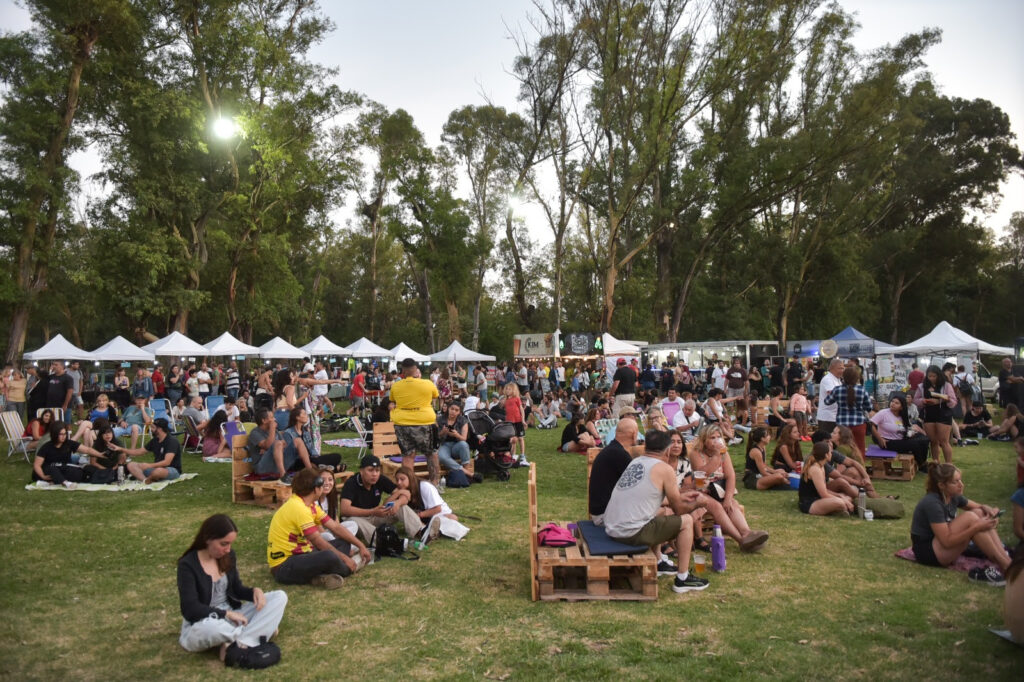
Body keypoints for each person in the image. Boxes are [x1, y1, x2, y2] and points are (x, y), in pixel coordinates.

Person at [602, 430, 709, 594]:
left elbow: (649, 497)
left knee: (657, 513)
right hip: (630, 533)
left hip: (612, 527)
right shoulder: (665, 469)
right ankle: (683, 578)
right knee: (687, 521)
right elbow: (679, 509)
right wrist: (698, 502)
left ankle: (658, 562)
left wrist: (683, 495)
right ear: (667, 450)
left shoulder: (636, 462)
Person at [178, 514, 288, 665]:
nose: (228, 549)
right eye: (224, 544)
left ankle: (236, 642)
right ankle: (258, 633)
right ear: (208, 539)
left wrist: (255, 591)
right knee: (212, 628)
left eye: (230, 544)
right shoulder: (188, 565)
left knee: (279, 597)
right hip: (205, 621)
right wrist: (226, 614)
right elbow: (190, 609)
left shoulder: (228, 556)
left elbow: (236, 589)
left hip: (234, 617)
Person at [268, 469, 371, 589]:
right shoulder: (299, 508)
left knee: (343, 542)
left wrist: (361, 546)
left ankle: (319, 577)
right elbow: (319, 542)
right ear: (316, 489)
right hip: (284, 567)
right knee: (329, 555)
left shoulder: (309, 504)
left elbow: (336, 527)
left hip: (303, 554)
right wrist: (345, 558)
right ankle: (353, 565)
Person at [909, 463, 1010, 585]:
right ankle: (1006, 565)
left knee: (979, 513)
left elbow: (979, 507)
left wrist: (989, 510)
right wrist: (976, 527)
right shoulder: (932, 503)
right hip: (928, 553)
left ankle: (1006, 559)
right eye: (955, 482)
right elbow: (947, 542)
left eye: (960, 480)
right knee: (971, 518)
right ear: (941, 485)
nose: (961, 485)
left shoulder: (953, 496)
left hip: (940, 545)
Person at [688, 425, 769, 551]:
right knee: (717, 507)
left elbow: (731, 476)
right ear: (704, 440)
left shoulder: (724, 453)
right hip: (700, 490)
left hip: (719, 489)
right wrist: (716, 457)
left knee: (731, 503)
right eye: (712, 437)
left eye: (718, 437)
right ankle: (741, 540)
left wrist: (728, 497)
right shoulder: (696, 453)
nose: (716, 440)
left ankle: (747, 534)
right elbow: (703, 475)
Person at [339, 454, 425, 540]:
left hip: (374, 516)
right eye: (370, 470)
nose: (374, 474)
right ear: (361, 471)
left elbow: (406, 495)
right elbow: (344, 510)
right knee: (354, 522)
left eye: (377, 470)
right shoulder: (351, 483)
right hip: (356, 519)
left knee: (401, 507)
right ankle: (383, 541)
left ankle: (421, 531)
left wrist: (398, 503)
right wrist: (372, 511)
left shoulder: (380, 479)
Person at [388, 359, 441, 483]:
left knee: (407, 455)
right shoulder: (427, 384)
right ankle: (434, 483)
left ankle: (408, 485)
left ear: (403, 371)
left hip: (402, 423)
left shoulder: (396, 385)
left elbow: (393, 400)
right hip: (425, 422)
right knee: (431, 453)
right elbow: (435, 396)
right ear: (416, 369)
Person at [588, 418, 639, 525]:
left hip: (601, 512)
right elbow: (639, 486)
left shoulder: (612, 450)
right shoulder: (619, 454)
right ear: (634, 434)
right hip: (605, 516)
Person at [391, 466, 457, 542]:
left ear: (410, 478)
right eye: (397, 480)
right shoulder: (400, 490)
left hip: (437, 514)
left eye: (402, 479)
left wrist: (418, 515)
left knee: (452, 518)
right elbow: (388, 504)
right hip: (423, 517)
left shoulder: (424, 486)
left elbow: (437, 509)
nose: (399, 482)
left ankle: (431, 529)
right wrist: (396, 494)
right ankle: (428, 530)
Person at [31, 421, 101, 488]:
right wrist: (43, 476)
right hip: (47, 470)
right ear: (55, 434)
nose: (63, 436)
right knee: (52, 468)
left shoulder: (69, 443)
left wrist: (100, 454)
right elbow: (37, 465)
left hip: (63, 468)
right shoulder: (46, 447)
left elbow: (87, 450)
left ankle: (54, 482)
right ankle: (65, 483)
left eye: (65, 434)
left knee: (81, 471)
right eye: (61, 434)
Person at [823, 366, 873, 456]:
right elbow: (869, 407)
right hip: (859, 423)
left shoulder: (837, 390)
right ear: (857, 378)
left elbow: (827, 402)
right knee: (859, 449)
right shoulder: (862, 390)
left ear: (844, 377)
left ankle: (843, 468)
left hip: (842, 425)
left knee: (843, 449)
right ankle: (860, 467)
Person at [869, 394, 930, 467]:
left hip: (900, 439)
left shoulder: (902, 416)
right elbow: (871, 424)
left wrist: (913, 433)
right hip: (887, 442)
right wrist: (879, 438)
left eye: (896, 403)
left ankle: (923, 461)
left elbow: (905, 429)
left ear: (901, 407)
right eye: (892, 401)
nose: (893, 404)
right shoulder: (884, 413)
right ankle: (922, 465)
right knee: (915, 445)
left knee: (924, 439)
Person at [913, 365, 957, 464]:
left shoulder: (946, 385)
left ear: (939, 375)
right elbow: (916, 400)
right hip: (928, 414)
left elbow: (953, 401)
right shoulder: (922, 386)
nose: (932, 378)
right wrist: (923, 401)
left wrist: (943, 400)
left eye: (934, 376)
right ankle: (935, 464)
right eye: (930, 376)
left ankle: (949, 465)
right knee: (933, 441)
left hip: (943, 414)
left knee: (944, 441)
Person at [798, 442, 856, 516]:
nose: (831, 454)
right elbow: (824, 495)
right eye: (830, 452)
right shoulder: (815, 469)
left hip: (818, 498)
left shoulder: (821, 466)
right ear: (826, 455)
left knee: (846, 497)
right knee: (841, 502)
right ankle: (839, 509)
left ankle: (839, 510)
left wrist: (840, 496)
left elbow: (824, 489)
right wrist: (842, 499)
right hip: (809, 503)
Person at [119, 417, 182, 484]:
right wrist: (121, 449)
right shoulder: (155, 440)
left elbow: (167, 462)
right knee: (131, 465)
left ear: (160, 429)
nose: (151, 430)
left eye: (153, 427)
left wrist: (149, 465)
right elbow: (139, 451)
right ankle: (145, 480)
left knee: (158, 472)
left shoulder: (172, 441)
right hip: (155, 468)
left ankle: (150, 478)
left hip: (171, 470)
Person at [436, 402, 472, 476]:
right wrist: (443, 432)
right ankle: (467, 473)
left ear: (459, 412)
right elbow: (436, 437)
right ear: (448, 409)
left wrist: (456, 435)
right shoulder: (440, 419)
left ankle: (466, 471)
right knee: (442, 457)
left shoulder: (463, 420)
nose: (453, 411)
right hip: (445, 445)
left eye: (456, 410)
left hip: (457, 445)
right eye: (452, 409)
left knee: (464, 444)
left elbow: (464, 439)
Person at [816, 358, 844, 434]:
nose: (842, 370)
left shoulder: (838, 380)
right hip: (827, 417)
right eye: (839, 368)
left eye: (842, 368)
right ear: (831, 368)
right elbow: (832, 394)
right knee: (827, 441)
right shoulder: (828, 379)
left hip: (835, 416)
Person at [503, 383, 526, 466]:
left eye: (509, 389)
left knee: (520, 438)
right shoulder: (506, 400)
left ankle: (523, 455)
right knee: (513, 440)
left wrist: (523, 420)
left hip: (518, 421)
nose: (507, 390)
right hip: (509, 423)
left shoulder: (517, 398)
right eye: (506, 389)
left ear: (514, 390)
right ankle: (513, 455)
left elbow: (521, 409)